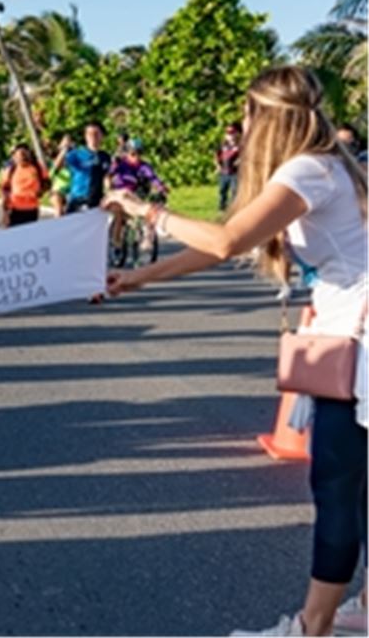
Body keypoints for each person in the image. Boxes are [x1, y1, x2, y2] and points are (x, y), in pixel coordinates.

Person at [106, 66, 367, 638]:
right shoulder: (329, 164)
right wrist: (142, 277)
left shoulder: (307, 170)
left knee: (338, 482)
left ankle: (313, 628)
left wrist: (145, 211)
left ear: (265, 117)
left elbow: (225, 240)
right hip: (350, 335)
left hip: (359, 346)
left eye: (246, 113)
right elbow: (225, 245)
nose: (241, 126)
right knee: (354, 481)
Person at [55, 121, 111, 213]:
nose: (93, 137)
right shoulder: (77, 154)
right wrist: (64, 149)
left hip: (97, 201)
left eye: (96, 134)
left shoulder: (105, 156)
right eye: (90, 134)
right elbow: (57, 167)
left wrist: (109, 193)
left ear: (102, 136)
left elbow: (106, 177)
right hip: (78, 199)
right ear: (85, 136)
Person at [0, 143, 48, 227]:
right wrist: (5, 212)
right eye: (20, 155)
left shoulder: (37, 167)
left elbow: (47, 182)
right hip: (15, 208)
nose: (23, 157)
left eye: (25, 154)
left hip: (32, 208)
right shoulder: (11, 170)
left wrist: (41, 191)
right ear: (14, 157)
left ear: (29, 155)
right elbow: (4, 189)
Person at [216, 122, 243, 211]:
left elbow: (245, 156)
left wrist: (240, 161)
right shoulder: (223, 145)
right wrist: (217, 165)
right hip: (224, 172)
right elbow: (217, 156)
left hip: (234, 173)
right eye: (227, 132)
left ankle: (233, 207)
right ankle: (222, 207)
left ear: (238, 133)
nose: (229, 135)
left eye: (232, 132)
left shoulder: (240, 146)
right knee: (222, 190)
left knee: (234, 190)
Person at [49, 135, 74, 217]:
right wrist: (64, 150)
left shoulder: (75, 157)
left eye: (69, 141)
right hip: (58, 191)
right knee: (59, 211)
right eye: (64, 141)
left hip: (72, 191)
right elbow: (55, 169)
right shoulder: (56, 159)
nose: (67, 143)